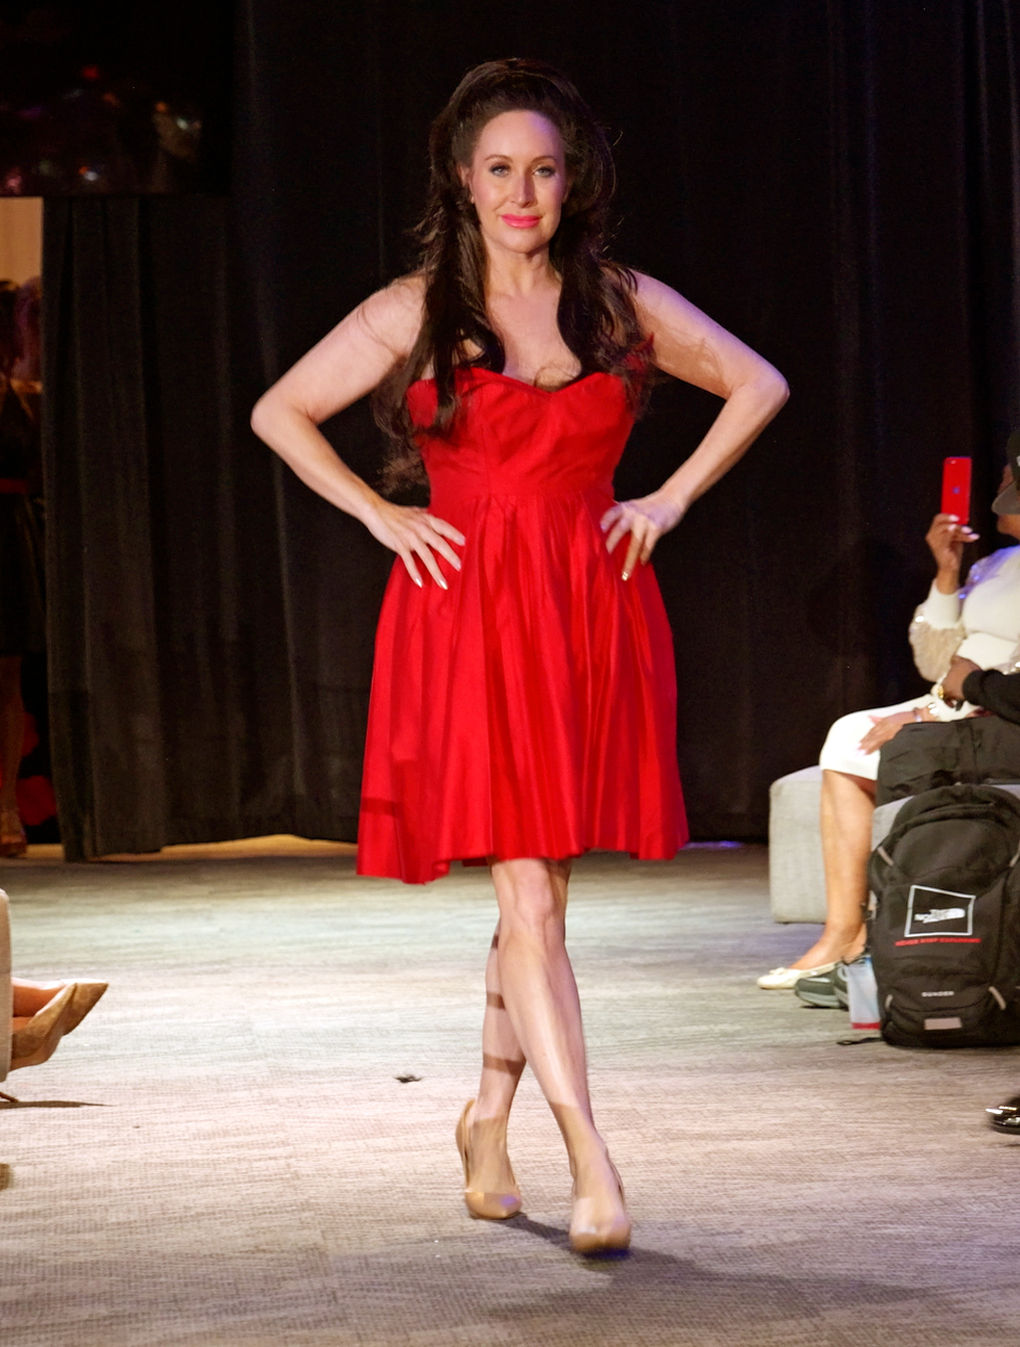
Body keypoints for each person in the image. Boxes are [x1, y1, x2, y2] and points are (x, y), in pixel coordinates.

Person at [251, 59, 787, 1254]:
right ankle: (591, 1156)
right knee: (531, 892)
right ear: (462, 178)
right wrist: (377, 512)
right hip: (466, 620)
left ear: (572, 179)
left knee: (540, 893)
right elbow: (278, 410)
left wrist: (671, 498)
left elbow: (760, 383)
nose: (522, 192)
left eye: (543, 169)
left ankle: (486, 1122)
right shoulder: (415, 310)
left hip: (590, 611)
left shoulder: (617, 303)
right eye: (499, 169)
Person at [759, 459, 1020, 995]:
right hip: (951, 698)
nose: (998, 486)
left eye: (1007, 478)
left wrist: (940, 709)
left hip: (993, 709)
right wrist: (947, 573)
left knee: (875, 741)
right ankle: (845, 933)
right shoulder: (998, 564)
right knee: (849, 734)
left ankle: (880, 937)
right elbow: (934, 660)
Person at [0, 278, 45, 857]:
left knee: (7, 679)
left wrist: (30, 324)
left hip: (9, 537)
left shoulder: (23, 397)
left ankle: (6, 805)